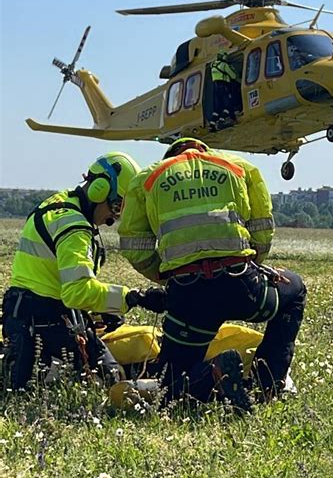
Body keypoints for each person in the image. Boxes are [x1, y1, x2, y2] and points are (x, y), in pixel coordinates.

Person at [118, 138, 306, 408]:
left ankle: (216, 370)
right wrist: (256, 263)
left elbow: (134, 244)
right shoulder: (240, 167)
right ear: (204, 150)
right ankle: (267, 386)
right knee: (295, 289)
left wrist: (163, 278)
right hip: (241, 285)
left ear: (169, 157)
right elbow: (263, 227)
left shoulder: (147, 179)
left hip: (188, 296)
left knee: (171, 390)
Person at [1, 152, 166, 390]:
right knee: (108, 379)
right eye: (117, 206)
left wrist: (102, 309)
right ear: (99, 190)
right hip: (46, 321)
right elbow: (77, 291)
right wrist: (133, 297)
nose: (114, 217)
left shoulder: (57, 205)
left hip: (28, 314)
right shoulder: (74, 227)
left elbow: (59, 281)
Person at [209, 51, 239, 129]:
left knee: (218, 107)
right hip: (224, 86)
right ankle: (229, 120)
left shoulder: (213, 65)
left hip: (216, 87)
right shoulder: (224, 65)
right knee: (229, 104)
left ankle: (212, 125)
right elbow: (233, 76)